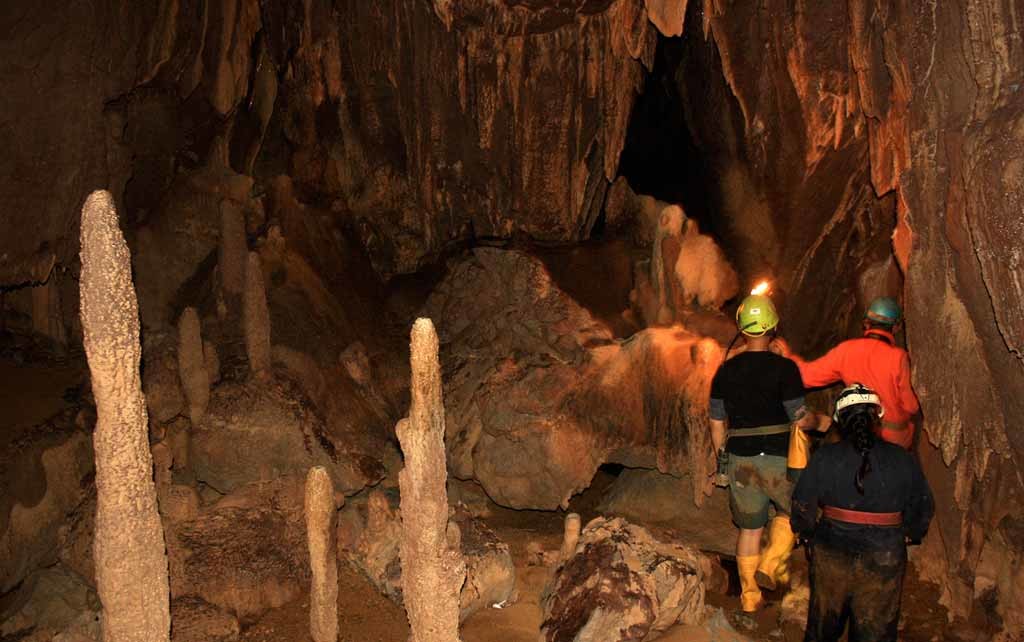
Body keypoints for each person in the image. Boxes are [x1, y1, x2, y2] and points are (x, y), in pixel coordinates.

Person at [709, 293, 825, 613]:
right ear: (773, 327)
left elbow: (716, 423)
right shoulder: (785, 369)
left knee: (749, 529)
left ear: (741, 329)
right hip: (778, 458)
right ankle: (771, 563)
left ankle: (749, 598)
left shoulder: (724, 372)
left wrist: (723, 458)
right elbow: (799, 418)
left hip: (740, 460)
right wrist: (822, 422)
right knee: (790, 513)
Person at [792, 383, 934, 642]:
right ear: (877, 417)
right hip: (884, 554)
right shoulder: (903, 458)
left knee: (822, 628)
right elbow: (923, 504)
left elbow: (803, 502)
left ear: (840, 421)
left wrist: (807, 534)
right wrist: (910, 532)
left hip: (832, 551)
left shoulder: (825, 456)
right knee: (874, 630)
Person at [771, 296, 920, 449]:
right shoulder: (898, 357)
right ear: (895, 328)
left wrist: (788, 356)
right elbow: (911, 406)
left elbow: (806, 376)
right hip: (894, 440)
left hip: (856, 435)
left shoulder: (846, 351)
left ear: (866, 323)